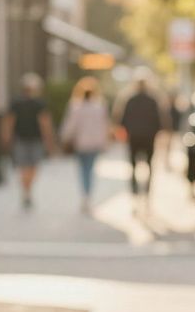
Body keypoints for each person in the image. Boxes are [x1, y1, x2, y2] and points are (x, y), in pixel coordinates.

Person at [0, 73, 56, 209]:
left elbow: (8, 122)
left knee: (24, 167)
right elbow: (45, 124)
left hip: (23, 139)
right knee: (32, 166)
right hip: (31, 140)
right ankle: (28, 191)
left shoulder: (17, 103)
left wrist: (6, 138)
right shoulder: (38, 103)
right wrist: (50, 142)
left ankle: (26, 191)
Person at [59, 76, 114, 213]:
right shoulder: (100, 107)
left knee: (83, 170)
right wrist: (106, 142)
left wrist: (64, 138)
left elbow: (70, 126)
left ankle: (85, 196)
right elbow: (105, 126)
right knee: (90, 170)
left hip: (81, 143)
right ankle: (88, 196)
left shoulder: (76, 107)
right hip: (94, 143)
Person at [115, 70, 169, 209]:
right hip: (148, 137)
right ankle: (146, 195)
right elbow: (160, 122)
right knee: (149, 166)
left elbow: (122, 121)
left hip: (134, 137)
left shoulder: (129, 99)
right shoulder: (153, 100)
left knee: (134, 166)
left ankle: (135, 194)